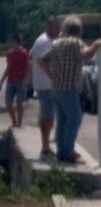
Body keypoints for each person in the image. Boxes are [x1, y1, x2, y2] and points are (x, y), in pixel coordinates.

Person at [40, 15, 101, 164]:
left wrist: (51, 74)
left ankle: (61, 151)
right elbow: (85, 55)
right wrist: (96, 45)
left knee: (62, 121)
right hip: (70, 88)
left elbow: (42, 60)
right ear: (79, 31)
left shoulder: (57, 43)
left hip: (56, 87)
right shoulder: (75, 42)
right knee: (74, 119)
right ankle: (68, 152)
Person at [30, 17, 60, 157]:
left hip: (43, 84)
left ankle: (46, 146)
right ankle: (45, 147)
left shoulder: (42, 40)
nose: (58, 30)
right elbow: (41, 62)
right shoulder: (45, 42)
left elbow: (31, 56)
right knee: (48, 118)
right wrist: (53, 76)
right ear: (49, 26)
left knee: (47, 116)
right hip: (46, 85)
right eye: (56, 27)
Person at [0, 33, 31, 127]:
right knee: (8, 103)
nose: (9, 43)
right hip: (11, 80)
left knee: (19, 104)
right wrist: (2, 81)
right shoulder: (9, 53)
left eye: (11, 41)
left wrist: (26, 79)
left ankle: (19, 124)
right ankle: (14, 122)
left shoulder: (24, 53)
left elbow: (28, 67)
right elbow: (8, 67)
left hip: (21, 81)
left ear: (16, 41)